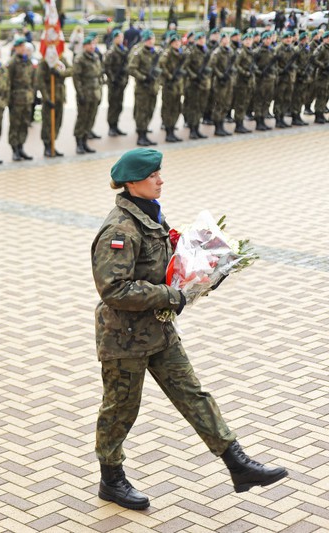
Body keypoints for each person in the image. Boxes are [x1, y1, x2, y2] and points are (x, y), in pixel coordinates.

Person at [91, 148, 288, 510]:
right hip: (124, 337)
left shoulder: (150, 216)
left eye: (160, 174)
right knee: (120, 409)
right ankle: (111, 479)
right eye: (153, 176)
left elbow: (165, 263)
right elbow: (113, 288)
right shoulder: (119, 229)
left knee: (192, 394)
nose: (161, 180)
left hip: (158, 330)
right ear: (133, 182)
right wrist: (172, 294)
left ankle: (237, 463)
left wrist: (204, 270)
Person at [128, 30, 161, 146]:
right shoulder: (139, 53)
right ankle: (141, 136)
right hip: (143, 88)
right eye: (149, 39)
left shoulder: (155, 53)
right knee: (141, 112)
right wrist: (143, 77)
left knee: (150, 111)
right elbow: (131, 68)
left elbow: (160, 67)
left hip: (153, 88)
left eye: (152, 39)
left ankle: (145, 132)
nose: (151, 41)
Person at [37, 48, 71, 157]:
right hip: (49, 96)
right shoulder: (44, 61)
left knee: (57, 122)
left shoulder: (61, 59)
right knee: (48, 123)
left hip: (60, 96)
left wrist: (60, 74)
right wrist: (46, 99)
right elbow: (40, 82)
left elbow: (71, 70)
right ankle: (47, 146)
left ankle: (53, 144)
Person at [73, 33, 103, 154]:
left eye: (93, 44)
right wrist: (80, 94)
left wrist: (100, 92)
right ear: (84, 46)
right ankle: (79, 143)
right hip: (85, 94)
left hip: (95, 93)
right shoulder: (80, 59)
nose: (92, 46)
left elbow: (99, 76)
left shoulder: (95, 57)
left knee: (91, 118)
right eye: (90, 44)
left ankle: (85, 141)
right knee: (82, 119)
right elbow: (76, 78)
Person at [7, 37, 34, 161]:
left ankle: (21, 147)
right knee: (15, 125)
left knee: (24, 124)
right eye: (21, 47)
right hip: (16, 99)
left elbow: (32, 79)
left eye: (24, 47)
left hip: (27, 99)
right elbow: (8, 83)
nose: (23, 49)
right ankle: (14, 150)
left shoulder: (27, 61)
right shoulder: (12, 62)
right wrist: (9, 101)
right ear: (16, 48)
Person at [182, 32, 211, 138]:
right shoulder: (191, 51)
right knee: (193, 107)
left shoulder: (206, 51)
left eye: (203, 39)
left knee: (200, 107)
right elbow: (185, 66)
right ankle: (192, 129)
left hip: (203, 83)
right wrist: (193, 76)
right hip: (193, 83)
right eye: (199, 39)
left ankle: (197, 128)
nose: (201, 41)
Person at [208, 32, 236, 136]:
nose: (227, 41)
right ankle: (217, 126)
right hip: (220, 82)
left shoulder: (230, 51)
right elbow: (212, 66)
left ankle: (222, 124)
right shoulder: (217, 52)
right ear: (221, 40)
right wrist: (220, 75)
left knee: (226, 103)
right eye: (224, 39)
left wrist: (231, 73)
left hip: (228, 81)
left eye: (228, 39)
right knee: (219, 103)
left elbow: (233, 64)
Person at [159, 32, 185, 142]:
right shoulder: (167, 53)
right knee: (168, 109)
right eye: (174, 42)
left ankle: (172, 130)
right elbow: (161, 65)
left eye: (178, 41)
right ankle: (168, 132)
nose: (177, 43)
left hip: (178, 85)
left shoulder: (180, 54)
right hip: (169, 85)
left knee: (176, 108)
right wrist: (170, 76)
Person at [104, 29, 130, 136]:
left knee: (119, 105)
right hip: (114, 82)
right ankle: (111, 126)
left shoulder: (124, 50)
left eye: (122, 37)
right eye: (119, 37)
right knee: (113, 105)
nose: (121, 39)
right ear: (114, 38)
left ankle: (116, 125)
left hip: (122, 82)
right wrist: (112, 78)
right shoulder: (111, 51)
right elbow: (106, 67)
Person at [274, 31, 298, 128]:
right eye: (286, 38)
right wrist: (280, 71)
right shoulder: (278, 49)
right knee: (279, 98)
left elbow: (295, 63)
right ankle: (278, 118)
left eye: (290, 38)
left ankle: (282, 116)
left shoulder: (292, 49)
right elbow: (274, 64)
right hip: (281, 78)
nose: (288, 39)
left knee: (287, 99)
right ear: (282, 39)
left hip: (290, 78)